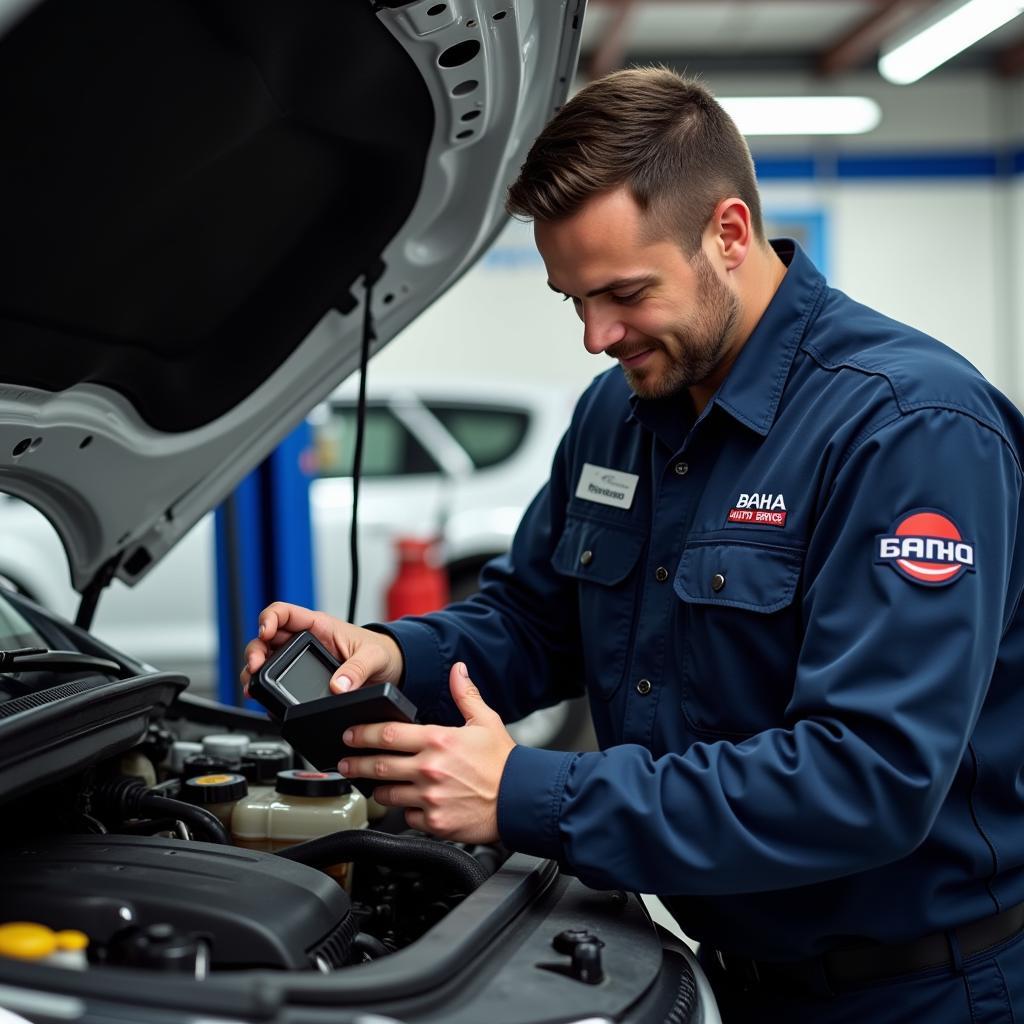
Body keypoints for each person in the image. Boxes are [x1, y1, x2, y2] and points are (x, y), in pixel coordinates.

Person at [243, 68, 1024, 1023]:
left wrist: (528, 793)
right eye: (572, 299)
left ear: (728, 234)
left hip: (923, 991)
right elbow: (536, 619)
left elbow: (867, 777)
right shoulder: (618, 412)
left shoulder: (910, 431)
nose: (595, 336)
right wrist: (397, 650)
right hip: (734, 974)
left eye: (622, 293)